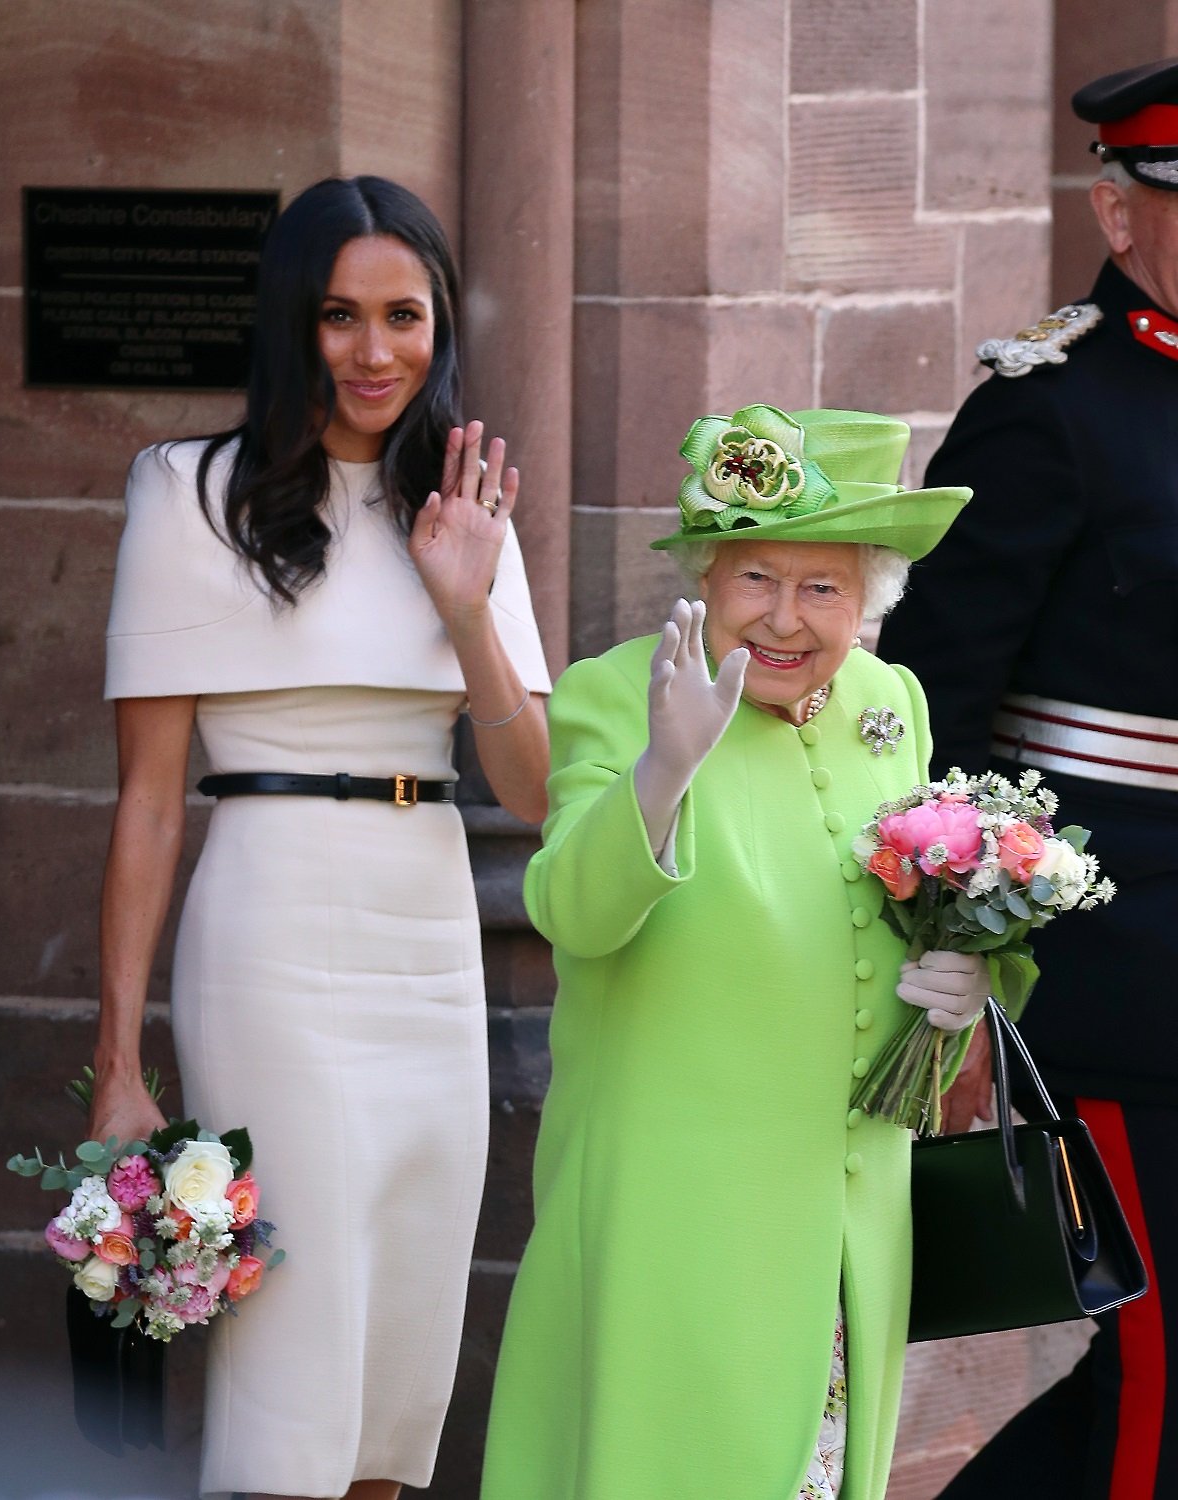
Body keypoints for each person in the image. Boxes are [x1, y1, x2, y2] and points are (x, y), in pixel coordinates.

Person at [88, 175, 551, 1500]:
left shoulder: (468, 503)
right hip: (272, 932)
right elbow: (149, 800)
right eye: (338, 316)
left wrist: (466, 604)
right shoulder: (189, 493)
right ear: (292, 324)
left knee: (402, 1356)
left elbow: (529, 791)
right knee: (297, 1345)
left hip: (426, 936)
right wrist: (118, 1060)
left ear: (440, 323)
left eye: (402, 315)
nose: (373, 351)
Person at [479, 405, 985, 1500]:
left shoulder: (889, 701)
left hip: (851, 1219)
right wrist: (660, 773)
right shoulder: (622, 692)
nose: (786, 619)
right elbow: (569, 909)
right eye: (757, 578)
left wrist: (967, 990)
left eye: (824, 588)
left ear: (869, 599)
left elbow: (923, 911)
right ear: (706, 577)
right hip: (682, 1214)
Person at [878, 56, 1178, 1500]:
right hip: (1122, 966)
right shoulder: (1050, 405)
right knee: (1158, 1365)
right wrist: (972, 943)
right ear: (1121, 218)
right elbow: (933, 697)